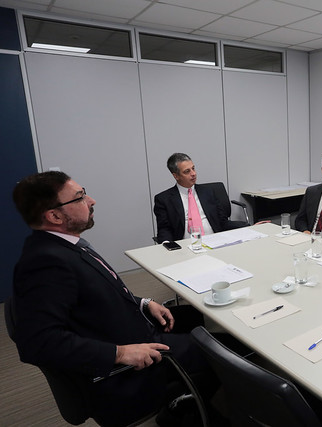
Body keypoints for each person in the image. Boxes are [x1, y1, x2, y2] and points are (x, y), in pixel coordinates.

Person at [11, 171, 215, 426]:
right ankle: (190, 412)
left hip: (130, 329)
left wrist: (143, 303)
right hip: (130, 368)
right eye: (80, 197)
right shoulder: (46, 263)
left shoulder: (64, 246)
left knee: (199, 317)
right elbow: (37, 343)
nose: (92, 201)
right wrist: (118, 354)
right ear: (54, 215)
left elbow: (94, 294)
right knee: (221, 350)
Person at [154, 152, 248, 243]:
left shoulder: (208, 192)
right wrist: (167, 244)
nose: (193, 173)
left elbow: (222, 222)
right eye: (187, 171)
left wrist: (248, 226)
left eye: (193, 168)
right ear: (176, 176)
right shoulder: (164, 199)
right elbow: (164, 229)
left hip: (214, 241)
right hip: (185, 245)